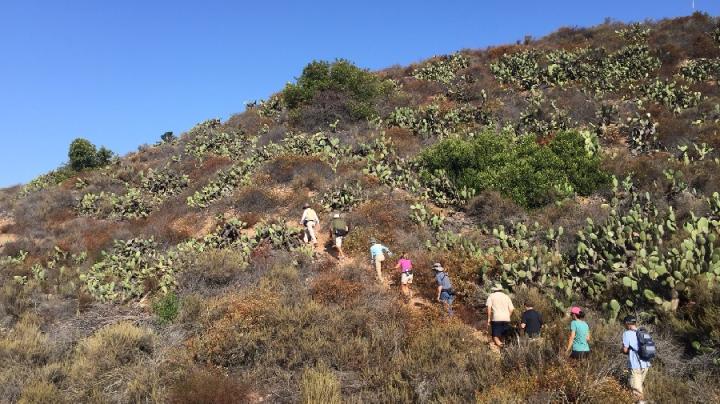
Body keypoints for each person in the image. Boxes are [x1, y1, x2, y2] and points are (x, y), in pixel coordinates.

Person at [621, 315, 651, 403]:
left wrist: (623, 350)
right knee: (638, 387)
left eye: (624, 324)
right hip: (646, 364)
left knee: (636, 392)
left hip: (636, 365)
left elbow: (625, 350)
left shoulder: (627, 333)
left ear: (627, 324)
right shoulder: (643, 332)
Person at [486, 284, 514, 348]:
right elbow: (512, 309)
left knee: (495, 336)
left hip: (496, 318)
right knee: (503, 335)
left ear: (494, 290)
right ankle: (505, 348)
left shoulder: (491, 296)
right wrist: (508, 315)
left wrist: (488, 319)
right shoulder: (506, 296)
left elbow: (489, 308)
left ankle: (502, 346)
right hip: (506, 318)